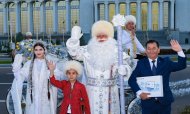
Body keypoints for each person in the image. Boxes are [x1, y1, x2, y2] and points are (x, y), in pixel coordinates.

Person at [66, 21, 132, 114]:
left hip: (110, 92)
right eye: (98, 35)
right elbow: (74, 53)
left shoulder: (117, 51)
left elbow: (127, 65)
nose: (101, 38)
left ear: (109, 36)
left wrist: (124, 69)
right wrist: (74, 39)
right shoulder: (87, 50)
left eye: (104, 35)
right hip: (92, 92)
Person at [128, 39, 187, 114]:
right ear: (146, 51)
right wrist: (140, 93)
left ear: (158, 50)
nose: (151, 51)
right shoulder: (141, 64)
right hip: (148, 104)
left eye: (154, 48)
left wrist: (179, 51)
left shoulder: (166, 62)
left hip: (164, 103)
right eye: (149, 49)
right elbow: (131, 80)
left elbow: (181, 65)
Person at [11, 42, 59, 114]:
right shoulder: (29, 64)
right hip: (33, 96)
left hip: (46, 97)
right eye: (36, 50)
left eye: (40, 49)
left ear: (44, 50)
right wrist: (17, 64)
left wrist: (52, 70)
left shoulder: (49, 63)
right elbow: (20, 76)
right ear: (33, 51)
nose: (38, 52)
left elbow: (57, 78)